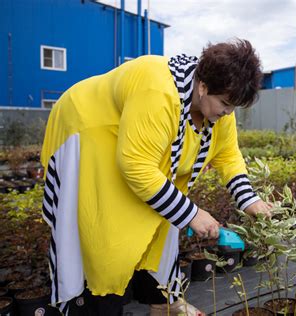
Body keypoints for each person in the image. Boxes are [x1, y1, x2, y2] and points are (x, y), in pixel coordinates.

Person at [40, 38, 272, 315]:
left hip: (133, 141)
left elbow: (228, 155)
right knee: (106, 229)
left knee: (158, 216)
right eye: (225, 104)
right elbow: (136, 165)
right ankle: (96, 303)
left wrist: (249, 200)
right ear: (202, 86)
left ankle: (160, 299)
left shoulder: (218, 109)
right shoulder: (158, 91)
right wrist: (192, 214)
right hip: (90, 126)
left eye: (234, 107)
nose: (228, 113)